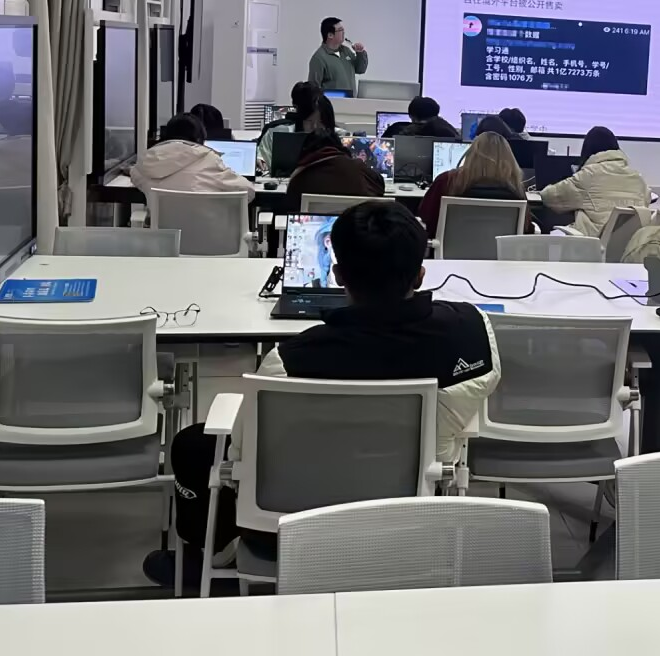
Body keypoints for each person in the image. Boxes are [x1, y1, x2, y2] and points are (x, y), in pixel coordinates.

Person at [144, 201, 501, 588]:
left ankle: (209, 559)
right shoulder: (473, 334)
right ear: (420, 274)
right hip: (407, 520)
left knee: (194, 446)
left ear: (338, 274)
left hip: (288, 529)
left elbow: (241, 454)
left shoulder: (289, 361)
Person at [418, 131, 532, 238]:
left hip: (451, 252)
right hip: (503, 252)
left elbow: (427, 221)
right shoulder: (515, 188)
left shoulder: (446, 181)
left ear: (471, 154)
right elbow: (526, 229)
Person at [539, 126, 649, 237]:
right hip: (632, 244)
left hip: (593, 242)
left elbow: (550, 197)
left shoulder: (588, 175)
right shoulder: (638, 178)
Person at [129, 113, 255, 206]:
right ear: (199, 138)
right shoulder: (209, 160)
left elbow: (135, 175)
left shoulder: (148, 162)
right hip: (211, 233)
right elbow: (247, 191)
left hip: (166, 234)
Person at [284, 129, 383, 211]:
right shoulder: (357, 168)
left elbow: (290, 210)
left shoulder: (299, 178)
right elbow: (380, 188)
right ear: (339, 146)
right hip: (356, 226)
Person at [307, 18, 367, 94]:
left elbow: (360, 70)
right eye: (340, 30)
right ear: (330, 35)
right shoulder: (319, 58)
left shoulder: (346, 51)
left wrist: (360, 54)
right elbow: (313, 89)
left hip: (351, 100)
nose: (343, 32)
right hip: (332, 101)